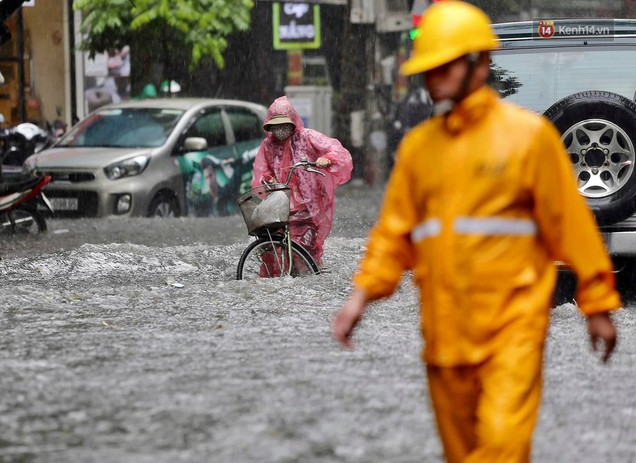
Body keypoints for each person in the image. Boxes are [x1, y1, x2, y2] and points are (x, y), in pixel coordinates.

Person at [331, 2, 620, 463]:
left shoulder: (529, 138)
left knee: (503, 447)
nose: (435, 78)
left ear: (480, 64)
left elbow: (571, 225)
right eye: (429, 69)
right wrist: (359, 297)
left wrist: (598, 305)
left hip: (514, 329)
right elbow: (394, 234)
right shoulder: (420, 150)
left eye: (446, 66)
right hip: (444, 339)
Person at [252, 96, 353, 265]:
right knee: (271, 248)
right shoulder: (268, 145)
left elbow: (338, 152)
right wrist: (267, 180)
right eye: (275, 126)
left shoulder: (307, 137)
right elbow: (261, 172)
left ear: (292, 123)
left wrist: (327, 159)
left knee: (307, 248)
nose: (279, 130)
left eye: (283, 125)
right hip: (280, 204)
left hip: (308, 205)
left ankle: (312, 269)